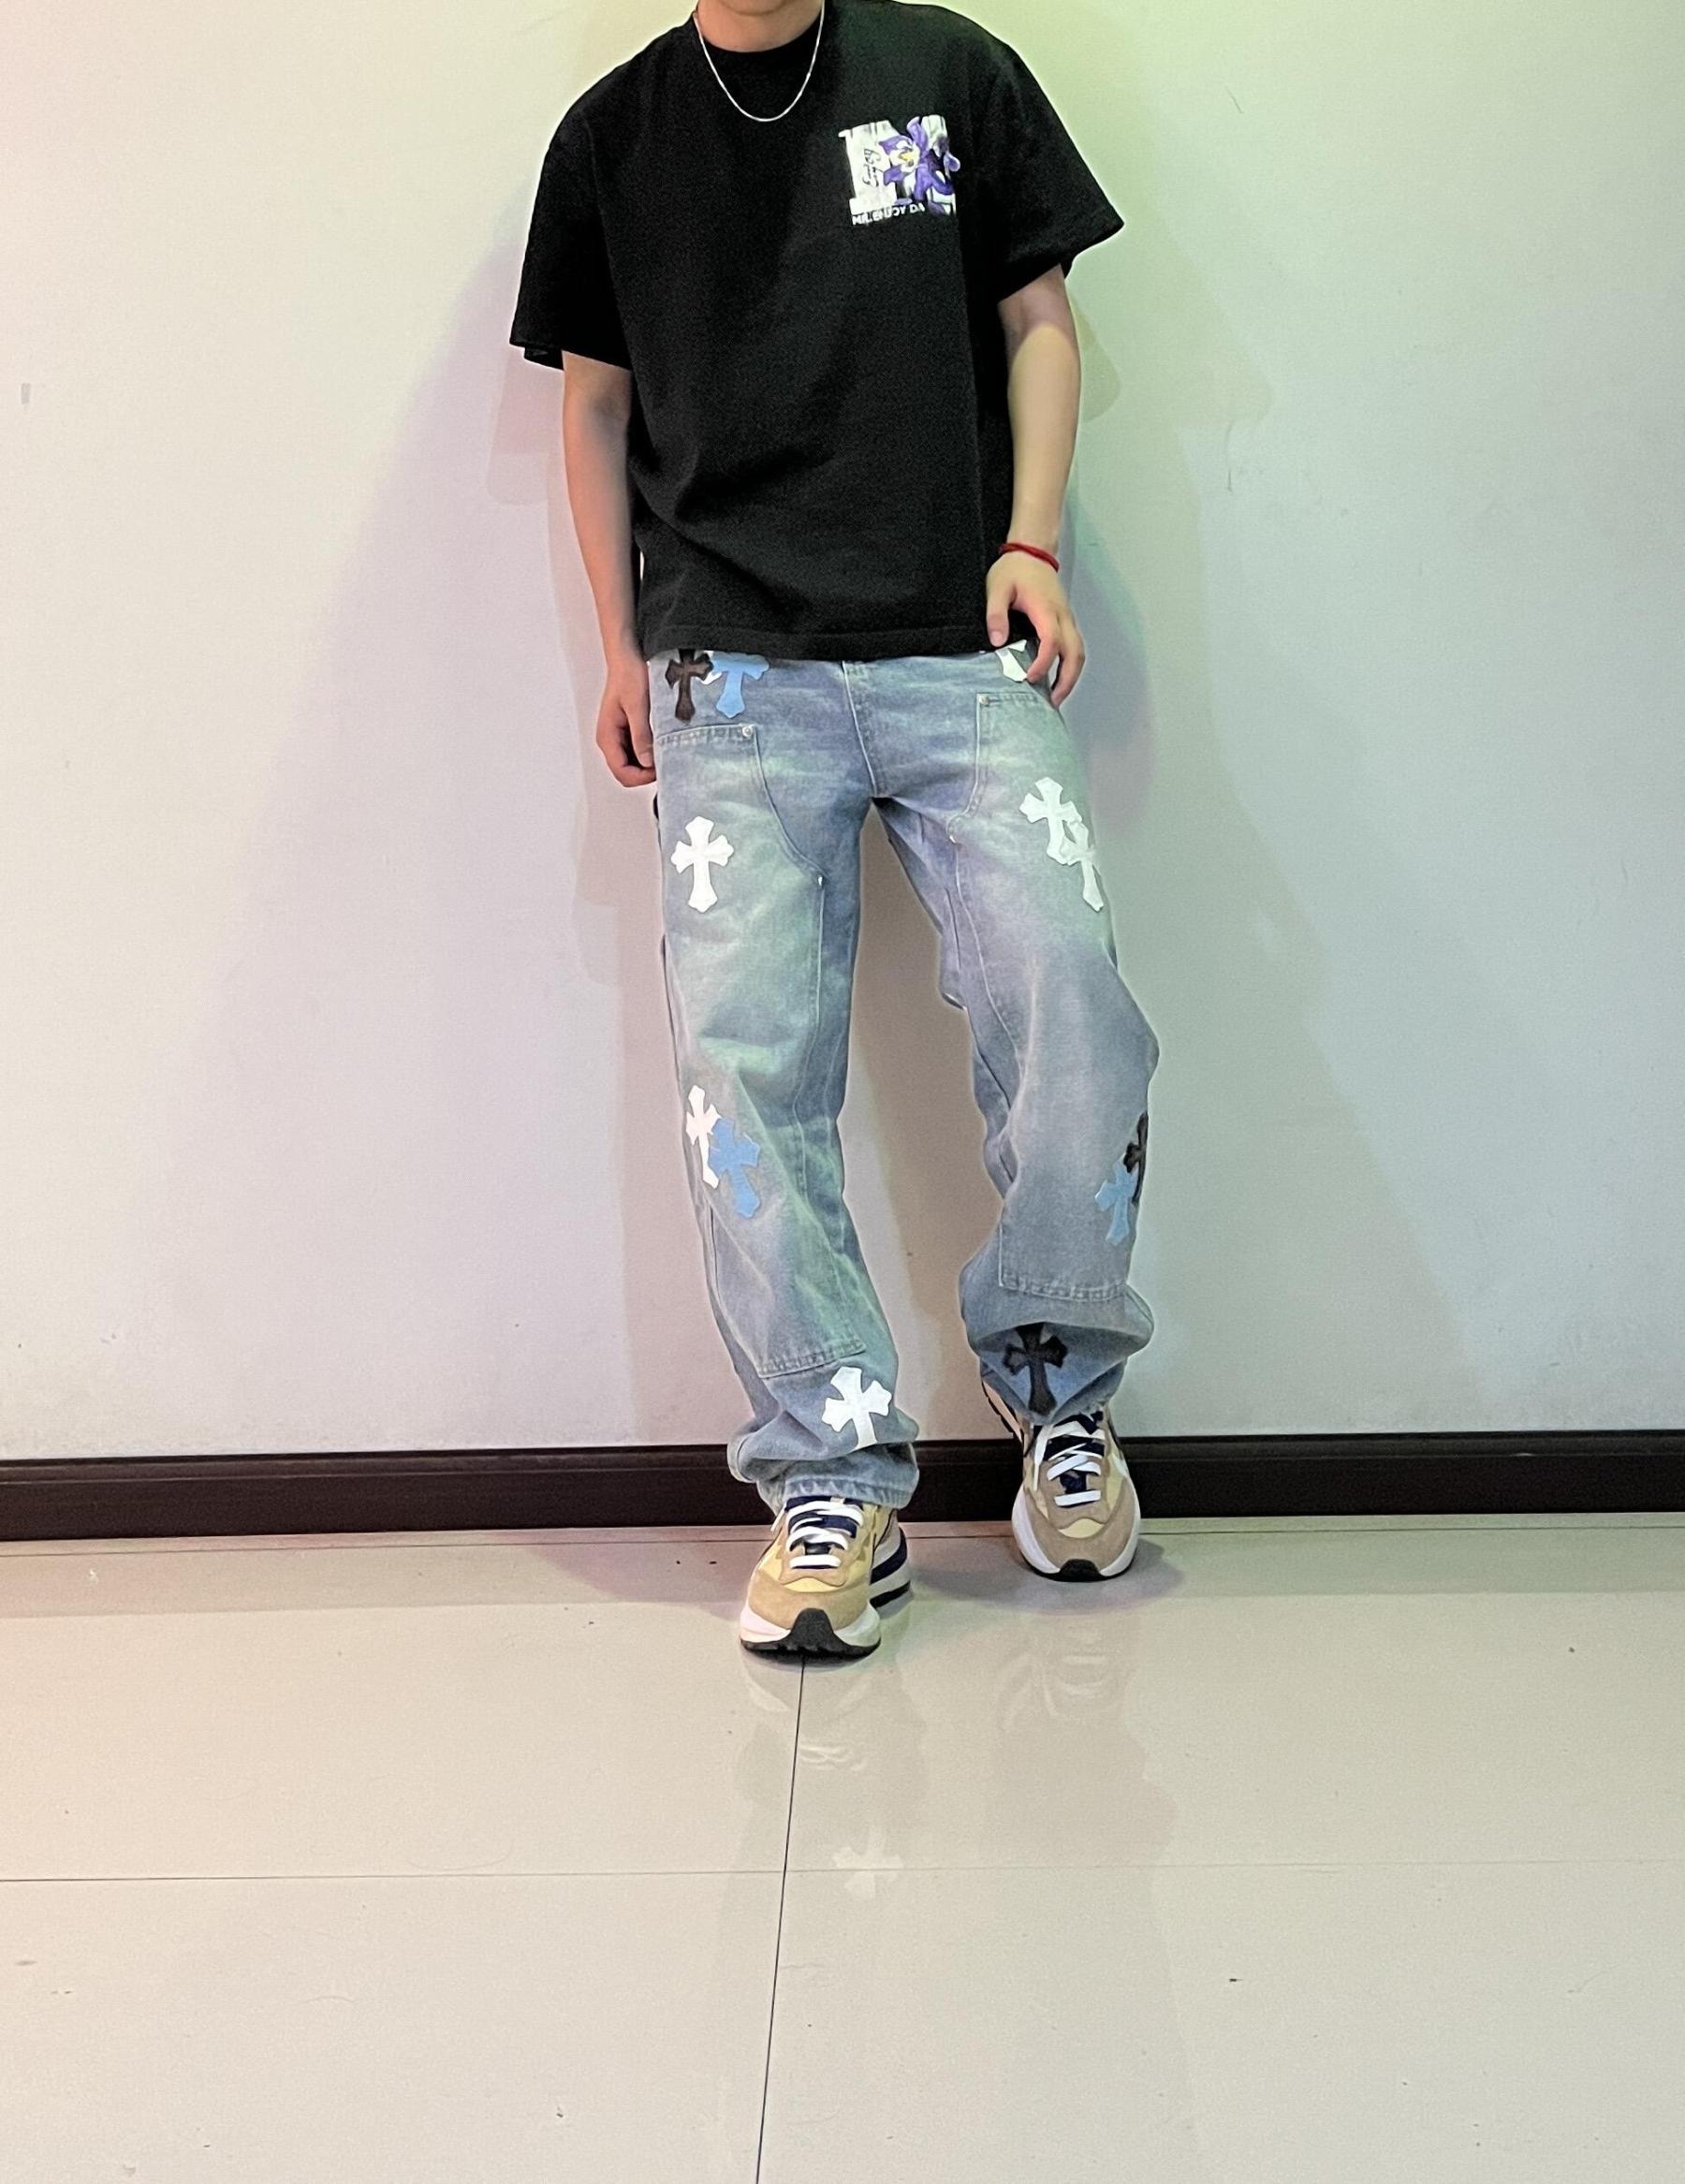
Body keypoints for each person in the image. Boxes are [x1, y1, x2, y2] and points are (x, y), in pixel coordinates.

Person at [510, 0, 1159, 1661]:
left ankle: (1061, 1395)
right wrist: (620, 647)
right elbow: (594, 408)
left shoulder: (949, 74)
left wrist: (1032, 542)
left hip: (960, 643)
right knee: (745, 1077)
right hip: (730, 672)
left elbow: (1040, 320)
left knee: (1071, 994)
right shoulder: (614, 139)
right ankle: (831, 1472)